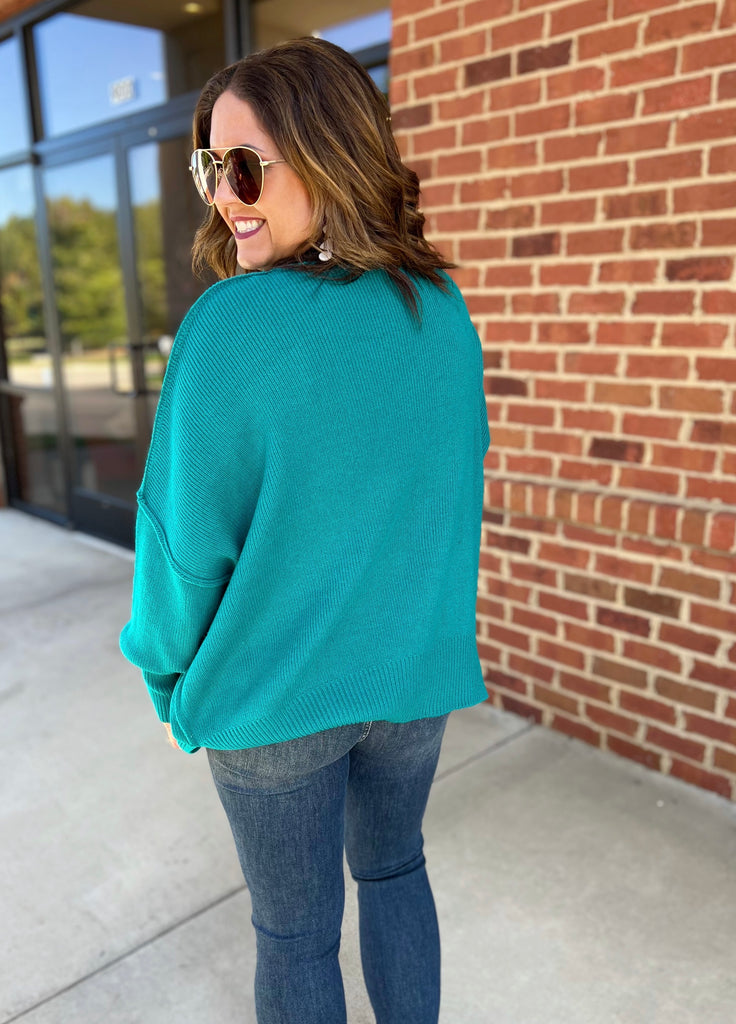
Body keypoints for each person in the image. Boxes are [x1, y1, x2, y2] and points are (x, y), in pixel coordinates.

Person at [119, 36, 490, 1024]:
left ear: (330, 154)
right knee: (397, 869)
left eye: (244, 166)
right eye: (210, 166)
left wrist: (168, 680)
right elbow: (454, 494)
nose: (222, 196)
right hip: (413, 678)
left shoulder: (231, 326)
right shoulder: (439, 307)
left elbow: (181, 550)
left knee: (294, 935)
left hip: (274, 695)